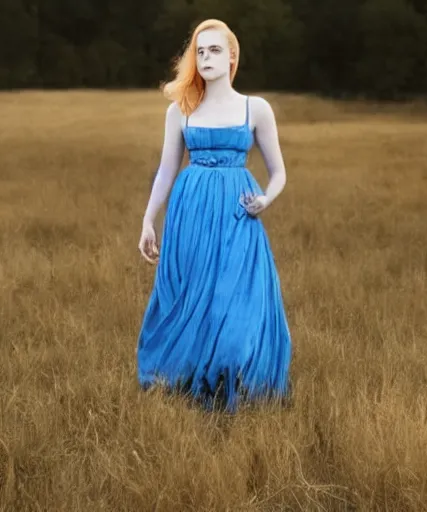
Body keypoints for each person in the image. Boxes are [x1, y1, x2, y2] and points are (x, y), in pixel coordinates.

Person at [135, 19, 292, 413]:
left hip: (239, 217)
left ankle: (239, 378)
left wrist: (266, 200)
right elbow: (166, 170)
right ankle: (194, 383)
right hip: (190, 214)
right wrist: (148, 220)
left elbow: (279, 173)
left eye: (215, 50)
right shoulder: (180, 110)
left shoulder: (255, 108)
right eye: (200, 51)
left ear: (232, 56)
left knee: (237, 303)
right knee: (191, 298)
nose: (206, 57)